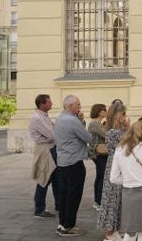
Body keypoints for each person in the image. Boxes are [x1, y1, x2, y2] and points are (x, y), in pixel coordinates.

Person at [54, 95, 92, 237]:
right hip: (74, 161)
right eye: (78, 105)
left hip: (62, 161)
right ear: (70, 106)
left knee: (64, 194)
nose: (80, 108)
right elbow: (88, 137)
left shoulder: (60, 118)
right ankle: (68, 226)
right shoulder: (72, 120)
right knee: (73, 195)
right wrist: (81, 121)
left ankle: (62, 223)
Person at [98, 101, 130, 241]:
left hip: (120, 168)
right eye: (123, 114)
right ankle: (109, 233)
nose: (125, 117)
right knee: (111, 200)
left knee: (118, 201)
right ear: (117, 116)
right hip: (115, 168)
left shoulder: (119, 131)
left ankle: (114, 230)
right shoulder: (113, 132)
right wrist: (128, 128)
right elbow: (128, 144)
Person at [29, 93, 60, 219]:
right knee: (44, 179)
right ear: (42, 104)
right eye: (49, 102)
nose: (51, 104)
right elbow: (52, 135)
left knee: (57, 180)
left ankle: (59, 205)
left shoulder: (43, 116)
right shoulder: (38, 118)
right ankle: (39, 209)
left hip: (50, 148)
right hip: (45, 149)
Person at [88, 103, 109, 210]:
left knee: (100, 175)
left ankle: (98, 200)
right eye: (104, 110)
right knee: (102, 176)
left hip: (102, 152)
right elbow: (106, 134)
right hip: (97, 153)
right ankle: (99, 201)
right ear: (100, 111)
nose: (106, 111)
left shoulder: (98, 123)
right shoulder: (94, 123)